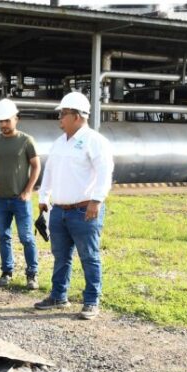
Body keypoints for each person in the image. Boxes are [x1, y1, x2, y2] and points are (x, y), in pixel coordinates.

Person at [35, 92, 114, 320]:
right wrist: (44, 196)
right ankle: (59, 295)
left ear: (78, 116)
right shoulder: (60, 143)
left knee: (89, 256)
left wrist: (97, 200)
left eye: (64, 114)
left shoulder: (95, 141)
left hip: (84, 210)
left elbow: (104, 173)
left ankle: (91, 301)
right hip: (59, 210)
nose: (60, 118)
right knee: (61, 256)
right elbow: (49, 172)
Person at [0, 98, 41, 290]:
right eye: (0, 121)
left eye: (7, 120)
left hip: (20, 199)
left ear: (16, 119)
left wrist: (28, 191)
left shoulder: (26, 141)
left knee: (26, 237)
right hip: (1, 199)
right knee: (3, 236)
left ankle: (32, 275)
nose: (3, 125)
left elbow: (36, 166)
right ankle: (6, 272)